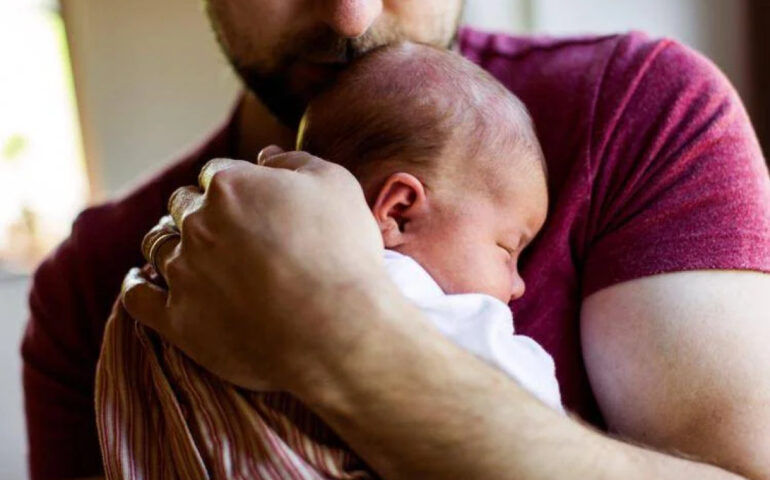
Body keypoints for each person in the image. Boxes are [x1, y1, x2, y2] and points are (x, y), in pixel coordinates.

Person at [22, 1, 770, 479]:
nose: (350, 17)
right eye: (511, 252)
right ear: (400, 208)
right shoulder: (90, 280)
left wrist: (340, 336)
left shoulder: (643, 111)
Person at [96, 43, 562, 479]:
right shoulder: (433, 308)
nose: (519, 285)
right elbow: (538, 433)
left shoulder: (180, 264)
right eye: (507, 249)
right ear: (398, 213)